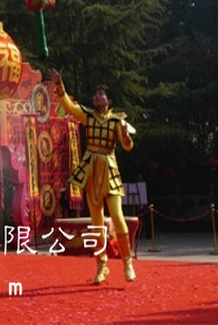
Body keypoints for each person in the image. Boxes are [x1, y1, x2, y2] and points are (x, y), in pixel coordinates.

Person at [49, 70, 137, 284]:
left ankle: (127, 263)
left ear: (109, 100)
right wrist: (60, 86)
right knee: (96, 222)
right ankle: (101, 266)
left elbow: (128, 147)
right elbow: (69, 107)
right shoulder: (87, 116)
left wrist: (125, 136)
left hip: (110, 170)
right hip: (91, 171)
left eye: (101, 95)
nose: (97, 97)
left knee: (117, 217)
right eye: (95, 95)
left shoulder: (117, 121)